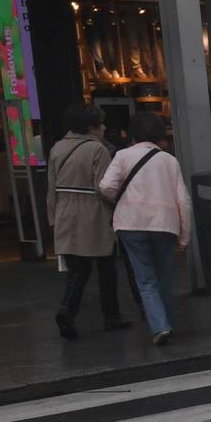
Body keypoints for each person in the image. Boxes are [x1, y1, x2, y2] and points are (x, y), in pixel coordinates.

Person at [101, 112, 193, 346]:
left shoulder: (122, 156)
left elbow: (106, 187)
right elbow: (183, 200)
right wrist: (185, 236)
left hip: (131, 222)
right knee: (165, 276)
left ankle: (159, 326)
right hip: (164, 223)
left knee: (145, 278)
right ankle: (167, 322)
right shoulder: (169, 160)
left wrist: (120, 199)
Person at [46, 103, 128, 339]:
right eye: (100, 123)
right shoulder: (97, 150)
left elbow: (51, 187)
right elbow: (104, 187)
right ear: (91, 127)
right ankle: (111, 315)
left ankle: (68, 309)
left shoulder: (58, 148)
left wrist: (53, 217)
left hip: (65, 211)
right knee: (106, 267)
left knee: (78, 270)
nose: (103, 127)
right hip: (93, 212)